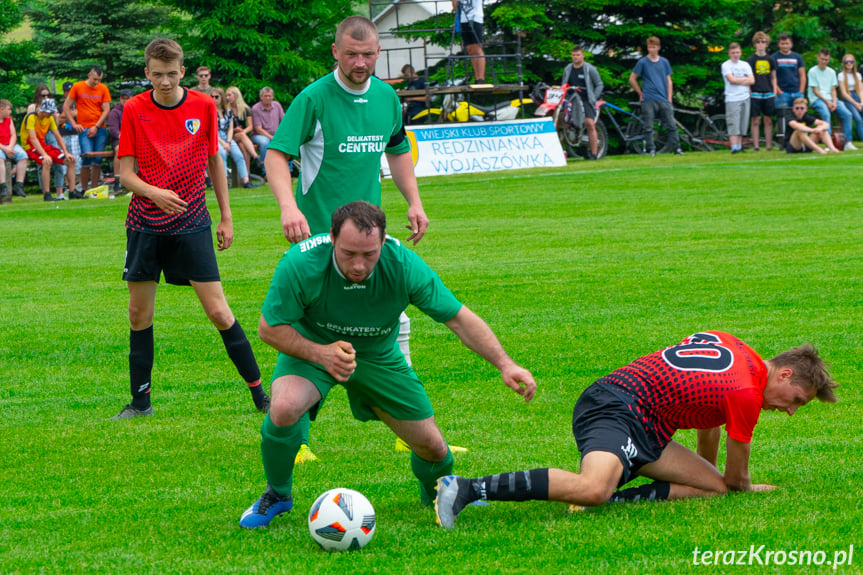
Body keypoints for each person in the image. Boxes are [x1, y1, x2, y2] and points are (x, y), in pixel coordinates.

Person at [238, 201, 536, 529]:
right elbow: (269, 328)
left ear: (382, 242)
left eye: (369, 254)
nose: (359, 265)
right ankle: (277, 494)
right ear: (332, 238)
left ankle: (442, 490)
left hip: (378, 354)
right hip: (313, 349)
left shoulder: (403, 264)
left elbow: (458, 319)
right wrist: (320, 354)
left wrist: (505, 364)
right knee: (283, 407)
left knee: (433, 447)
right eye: (349, 253)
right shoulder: (301, 262)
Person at [434, 331, 839, 529]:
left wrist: (708, 473)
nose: (789, 410)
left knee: (710, 488)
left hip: (647, 420)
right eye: (796, 399)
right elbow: (737, 481)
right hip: (617, 405)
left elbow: (712, 423)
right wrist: (747, 487)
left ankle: (612, 500)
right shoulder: (747, 394)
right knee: (593, 487)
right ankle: (466, 489)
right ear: (785, 373)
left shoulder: (738, 351)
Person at [265, 15, 431, 462]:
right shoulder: (314, 98)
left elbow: (396, 151)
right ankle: (293, 437)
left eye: (369, 54)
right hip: (319, 240)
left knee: (394, 322)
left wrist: (414, 202)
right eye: (352, 54)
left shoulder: (386, 98)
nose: (361, 63)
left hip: (367, 240)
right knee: (308, 332)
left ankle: (407, 428)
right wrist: (288, 207)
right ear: (335, 52)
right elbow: (277, 153)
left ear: (378, 53)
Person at [112, 38, 269, 419]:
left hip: (193, 221)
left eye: (170, 74)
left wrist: (226, 216)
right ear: (146, 73)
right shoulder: (134, 109)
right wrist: (155, 194)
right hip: (145, 225)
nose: (164, 82)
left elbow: (215, 160)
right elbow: (123, 173)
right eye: (156, 75)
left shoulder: (202, 106)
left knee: (218, 311)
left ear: (182, 72)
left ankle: (261, 397)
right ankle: (140, 404)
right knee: (138, 314)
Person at [628, 36, 682, 156]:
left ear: (658, 48)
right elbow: (632, 79)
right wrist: (640, 93)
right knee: (648, 126)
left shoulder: (664, 62)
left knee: (671, 125)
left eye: (654, 47)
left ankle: (677, 148)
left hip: (663, 98)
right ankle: (651, 149)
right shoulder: (642, 62)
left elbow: (669, 80)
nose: (651, 50)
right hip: (648, 98)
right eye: (649, 47)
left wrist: (669, 97)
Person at [64, 66, 112, 193]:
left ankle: (94, 189)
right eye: (95, 79)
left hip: (99, 128)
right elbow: (66, 106)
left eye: (99, 80)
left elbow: (106, 109)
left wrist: (96, 126)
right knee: (86, 156)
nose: (96, 82)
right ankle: (84, 189)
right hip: (83, 128)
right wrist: (74, 124)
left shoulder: (103, 88)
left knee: (97, 158)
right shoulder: (78, 87)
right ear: (89, 75)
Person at [20, 98, 76, 202]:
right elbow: (33, 138)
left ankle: (72, 191)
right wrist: (44, 154)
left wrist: (66, 152)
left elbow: (57, 136)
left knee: (70, 160)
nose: (50, 115)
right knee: (46, 161)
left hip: (43, 145)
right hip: (30, 146)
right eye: (49, 112)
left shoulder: (49, 119)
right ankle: (47, 193)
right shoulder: (31, 117)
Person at [561, 45, 604, 160]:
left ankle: (594, 154)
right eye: (573, 55)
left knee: (589, 123)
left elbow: (599, 84)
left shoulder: (589, 69)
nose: (575, 57)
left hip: (586, 99)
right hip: (571, 99)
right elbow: (564, 85)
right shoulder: (568, 69)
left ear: (583, 55)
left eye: (578, 55)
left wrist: (593, 98)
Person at [807, 48, 853, 149]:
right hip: (817, 99)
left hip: (831, 99)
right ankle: (829, 143)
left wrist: (835, 102)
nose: (824, 61)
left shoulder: (831, 72)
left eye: (826, 59)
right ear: (818, 58)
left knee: (848, 114)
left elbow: (833, 90)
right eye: (822, 59)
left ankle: (847, 142)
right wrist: (828, 102)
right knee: (825, 113)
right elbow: (815, 91)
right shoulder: (812, 71)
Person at [212, 87, 256, 188]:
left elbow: (230, 128)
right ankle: (225, 181)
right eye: (212, 96)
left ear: (221, 97)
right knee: (222, 154)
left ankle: (246, 181)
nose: (214, 99)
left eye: (216, 97)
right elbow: (211, 131)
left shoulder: (228, 111)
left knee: (239, 155)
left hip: (227, 136)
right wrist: (223, 143)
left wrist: (228, 141)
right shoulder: (210, 111)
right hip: (216, 137)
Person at [746, 32, 778, 151]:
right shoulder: (750, 60)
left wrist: (774, 89)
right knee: (755, 119)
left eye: (763, 42)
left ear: (767, 44)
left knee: (768, 119)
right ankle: (756, 145)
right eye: (758, 42)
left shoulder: (770, 59)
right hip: (755, 92)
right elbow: (748, 77)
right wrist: (749, 90)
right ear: (755, 44)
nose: (760, 44)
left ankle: (769, 145)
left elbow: (774, 76)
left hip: (768, 92)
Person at [721, 42, 754, 154]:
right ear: (729, 53)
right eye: (733, 52)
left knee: (742, 123)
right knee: (733, 122)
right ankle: (734, 146)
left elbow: (752, 80)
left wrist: (739, 80)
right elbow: (732, 80)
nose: (736, 54)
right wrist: (744, 80)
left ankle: (740, 145)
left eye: (738, 52)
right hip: (732, 98)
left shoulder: (745, 65)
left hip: (745, 96)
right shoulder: (726, 65)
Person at [225, 86, 263, 172]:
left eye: (229, 95)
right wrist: (235, 130)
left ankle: (247, 174)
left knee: (244, 148)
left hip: (242, 136)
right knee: (241, 136)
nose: (227, 97)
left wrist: (243, 131)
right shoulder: (226, 110)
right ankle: (256, 156)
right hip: (231, 136)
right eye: (226, 95)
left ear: (236, 95)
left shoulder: (245, 109)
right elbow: (225, 127)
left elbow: (250, 126)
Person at [57, 81, 83, 198]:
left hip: (76, 135)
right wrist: (71, 114)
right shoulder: (60, 107)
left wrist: (66, 115)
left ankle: (78, 186)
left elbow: (80, 114)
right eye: (66, 91)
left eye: (70, 91)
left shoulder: (78, 104)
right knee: (66, 161)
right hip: (63, 136)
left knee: (77, 160)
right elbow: (58, 120)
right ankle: (68, 186)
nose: (68, 94)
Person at [0, 99, 29, 202]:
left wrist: (10, 147)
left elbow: (13, 135)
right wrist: (5, 148)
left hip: (9, 144)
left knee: (23, 156)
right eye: (8, 109)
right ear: (1, 109)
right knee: (0, 158)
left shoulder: (9, 120)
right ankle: (3, 185)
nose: (10, 111)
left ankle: (19, 184)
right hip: (1, 146)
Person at [452, 0, 486, 84]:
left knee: (477, 48)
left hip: (475, 18)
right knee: (470, 49)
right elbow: (455, 8)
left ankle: (481, 78)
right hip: (464, 20)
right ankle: (477, 77)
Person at [250, 86, 284, 171]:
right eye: (265, 96)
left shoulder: (277, 105)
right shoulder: (255, 108)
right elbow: (258, 129)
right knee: (265, 142)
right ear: (261, 97)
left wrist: (281, 135)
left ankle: (287, 170)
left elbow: (283, 122)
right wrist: (271, 137)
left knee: (285, 141)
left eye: (270, 96)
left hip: (275, 134)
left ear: (272, 96)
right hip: (259, 135)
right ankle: (266, 171)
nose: (268, 98)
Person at [107, 89, 133, 194]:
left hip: (134, 140)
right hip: (119, 140)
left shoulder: (135, 110)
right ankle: (117, 180)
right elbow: (114, 131)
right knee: (119, 149)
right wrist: (125, 139)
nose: (125, 100)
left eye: (128, 98)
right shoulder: (114, 112)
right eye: (123, 98)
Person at [772, 34, 806, 110]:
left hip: (797, 93)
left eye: (787, 43)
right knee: (783, 119)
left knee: (798, 118)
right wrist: (779, 92)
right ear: (778, 44)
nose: (785, 46)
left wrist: (801, 91)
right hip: (782, 94)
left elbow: (802, 75)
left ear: (791, 44)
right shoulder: (774, 58)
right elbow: (772, 77)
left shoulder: (797, 57)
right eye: (782, 44)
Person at [837, 53, 863, 149]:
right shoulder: (841, 75)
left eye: (851, 62)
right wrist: (856, 104)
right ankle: (848, 142)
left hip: (857, 96)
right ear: (844, 63)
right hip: (848, 98)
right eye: (847, 62)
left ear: (854, 63)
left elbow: (860, 90)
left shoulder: (858, 75)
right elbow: (844, 93)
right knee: (858, 119)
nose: (849, 64)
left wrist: (861, 102)